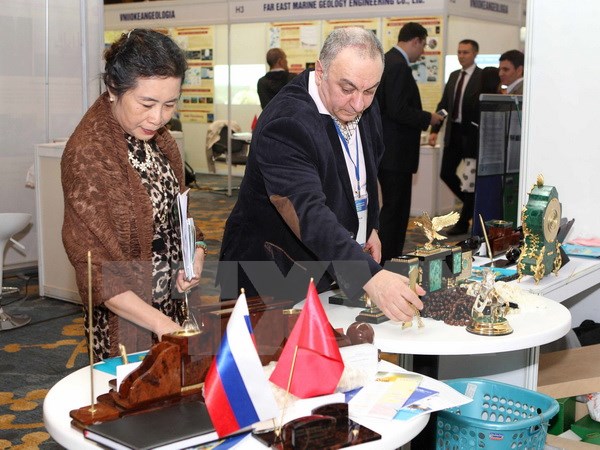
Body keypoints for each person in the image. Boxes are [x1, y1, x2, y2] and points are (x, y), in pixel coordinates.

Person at [219, 27, 425, 323]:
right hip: (269, 274)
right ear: (320, 71)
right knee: (274, 352)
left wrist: (370, 226)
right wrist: (369, 276)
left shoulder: (361, 99)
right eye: (347, 88)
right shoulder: (287, 122)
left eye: (370, 91)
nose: (359, 104)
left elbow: (367, 169)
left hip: (325, 265)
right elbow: (306, 211)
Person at [62, 29, 206, 361]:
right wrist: (163, 326)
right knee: (135, 390)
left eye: (169, 104)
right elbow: (96, 272)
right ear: (114, 89)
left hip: (171, 304)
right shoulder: (88, 155)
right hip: (128, 318)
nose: (158, 117)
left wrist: (195, 252)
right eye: (147, 103)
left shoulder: (159, 138)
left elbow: (179, 214)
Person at [377, 22, 444, 261]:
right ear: (415, 41)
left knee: (392, 208)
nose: (423, 52)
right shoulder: (398, 65)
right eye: (423, 45)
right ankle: (389, 257)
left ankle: (388, 255)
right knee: (395, 210)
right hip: (396, 153)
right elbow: (397, 109)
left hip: (389, 151)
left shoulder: (387, 60)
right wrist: (428, 118)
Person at [428, 39, 482, 235]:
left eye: (465, 52)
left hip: (472, 135)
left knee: (469, 180)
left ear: (474, 54)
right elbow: (443, 105)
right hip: (454, 132)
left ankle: (463, 221)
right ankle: (471, 202)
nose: (461, 56)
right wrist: (434, 130)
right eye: (459, 52)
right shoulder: (453, 76)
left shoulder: (481, 77)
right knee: (446, 173)